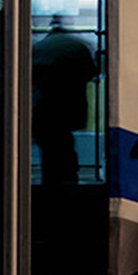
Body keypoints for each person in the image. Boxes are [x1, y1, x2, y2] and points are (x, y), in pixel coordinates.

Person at [31, 16, 99, 191]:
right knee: (65, 148)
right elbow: (91, 73)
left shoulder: (38, 48)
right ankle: (68, 186)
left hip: (44, 109)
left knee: (49, 152)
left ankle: (51, 186)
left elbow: (29, 79)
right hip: (69, 108)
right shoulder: (78, 47)